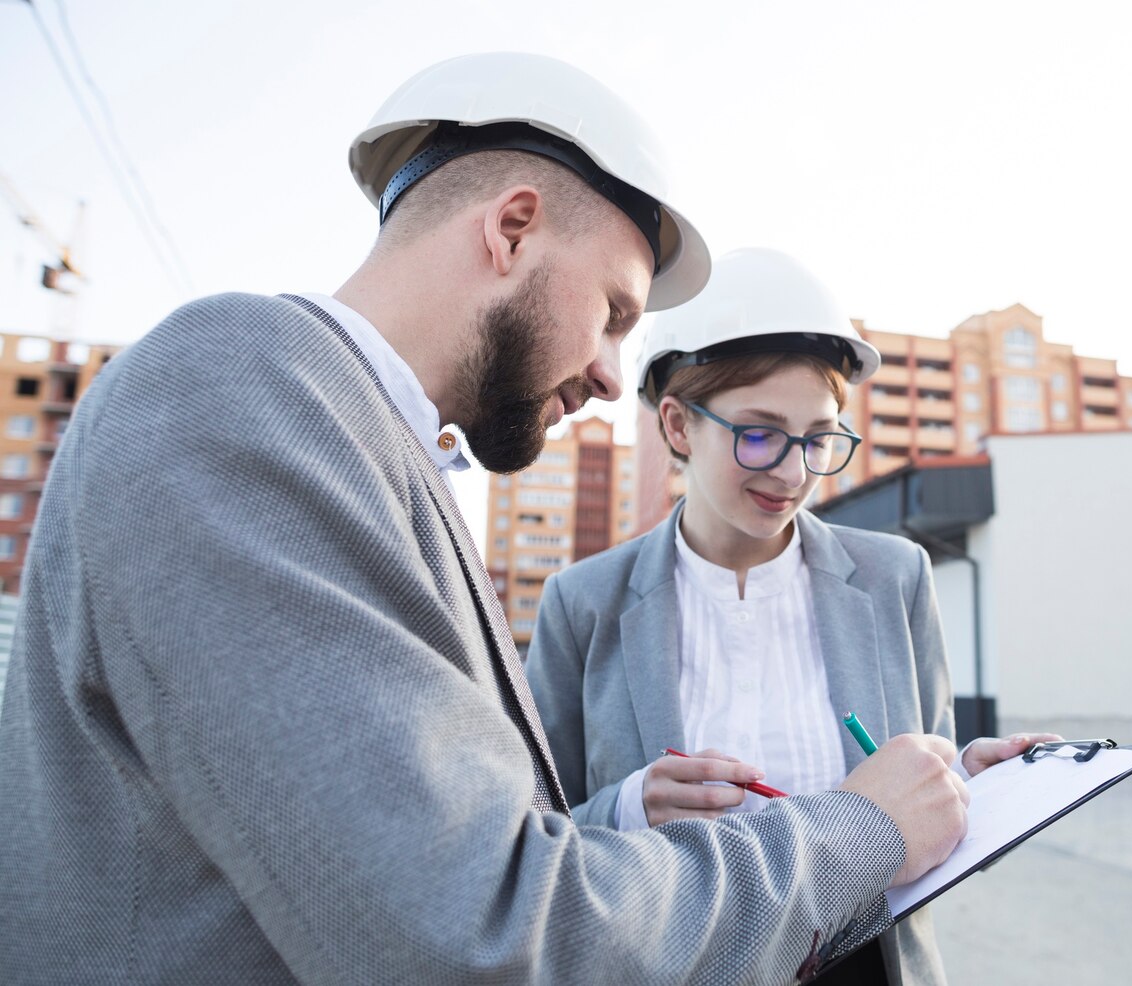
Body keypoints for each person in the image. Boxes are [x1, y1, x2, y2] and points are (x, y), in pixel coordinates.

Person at [0, 54, 973, 985]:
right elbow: (481, 937)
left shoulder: (363, 443)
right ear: (511, 229)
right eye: (615, 310)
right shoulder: (237, 389)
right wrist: (859, 826)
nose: (607, 371)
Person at [525, 248, 1062, 985]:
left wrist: (968, 777)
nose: (794, 471)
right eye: (760, 433)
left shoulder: (894, 578)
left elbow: (924, 770)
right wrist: (622, 808)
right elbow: (528, 843)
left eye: (819, 437)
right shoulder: (584, 603)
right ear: (679, 426)